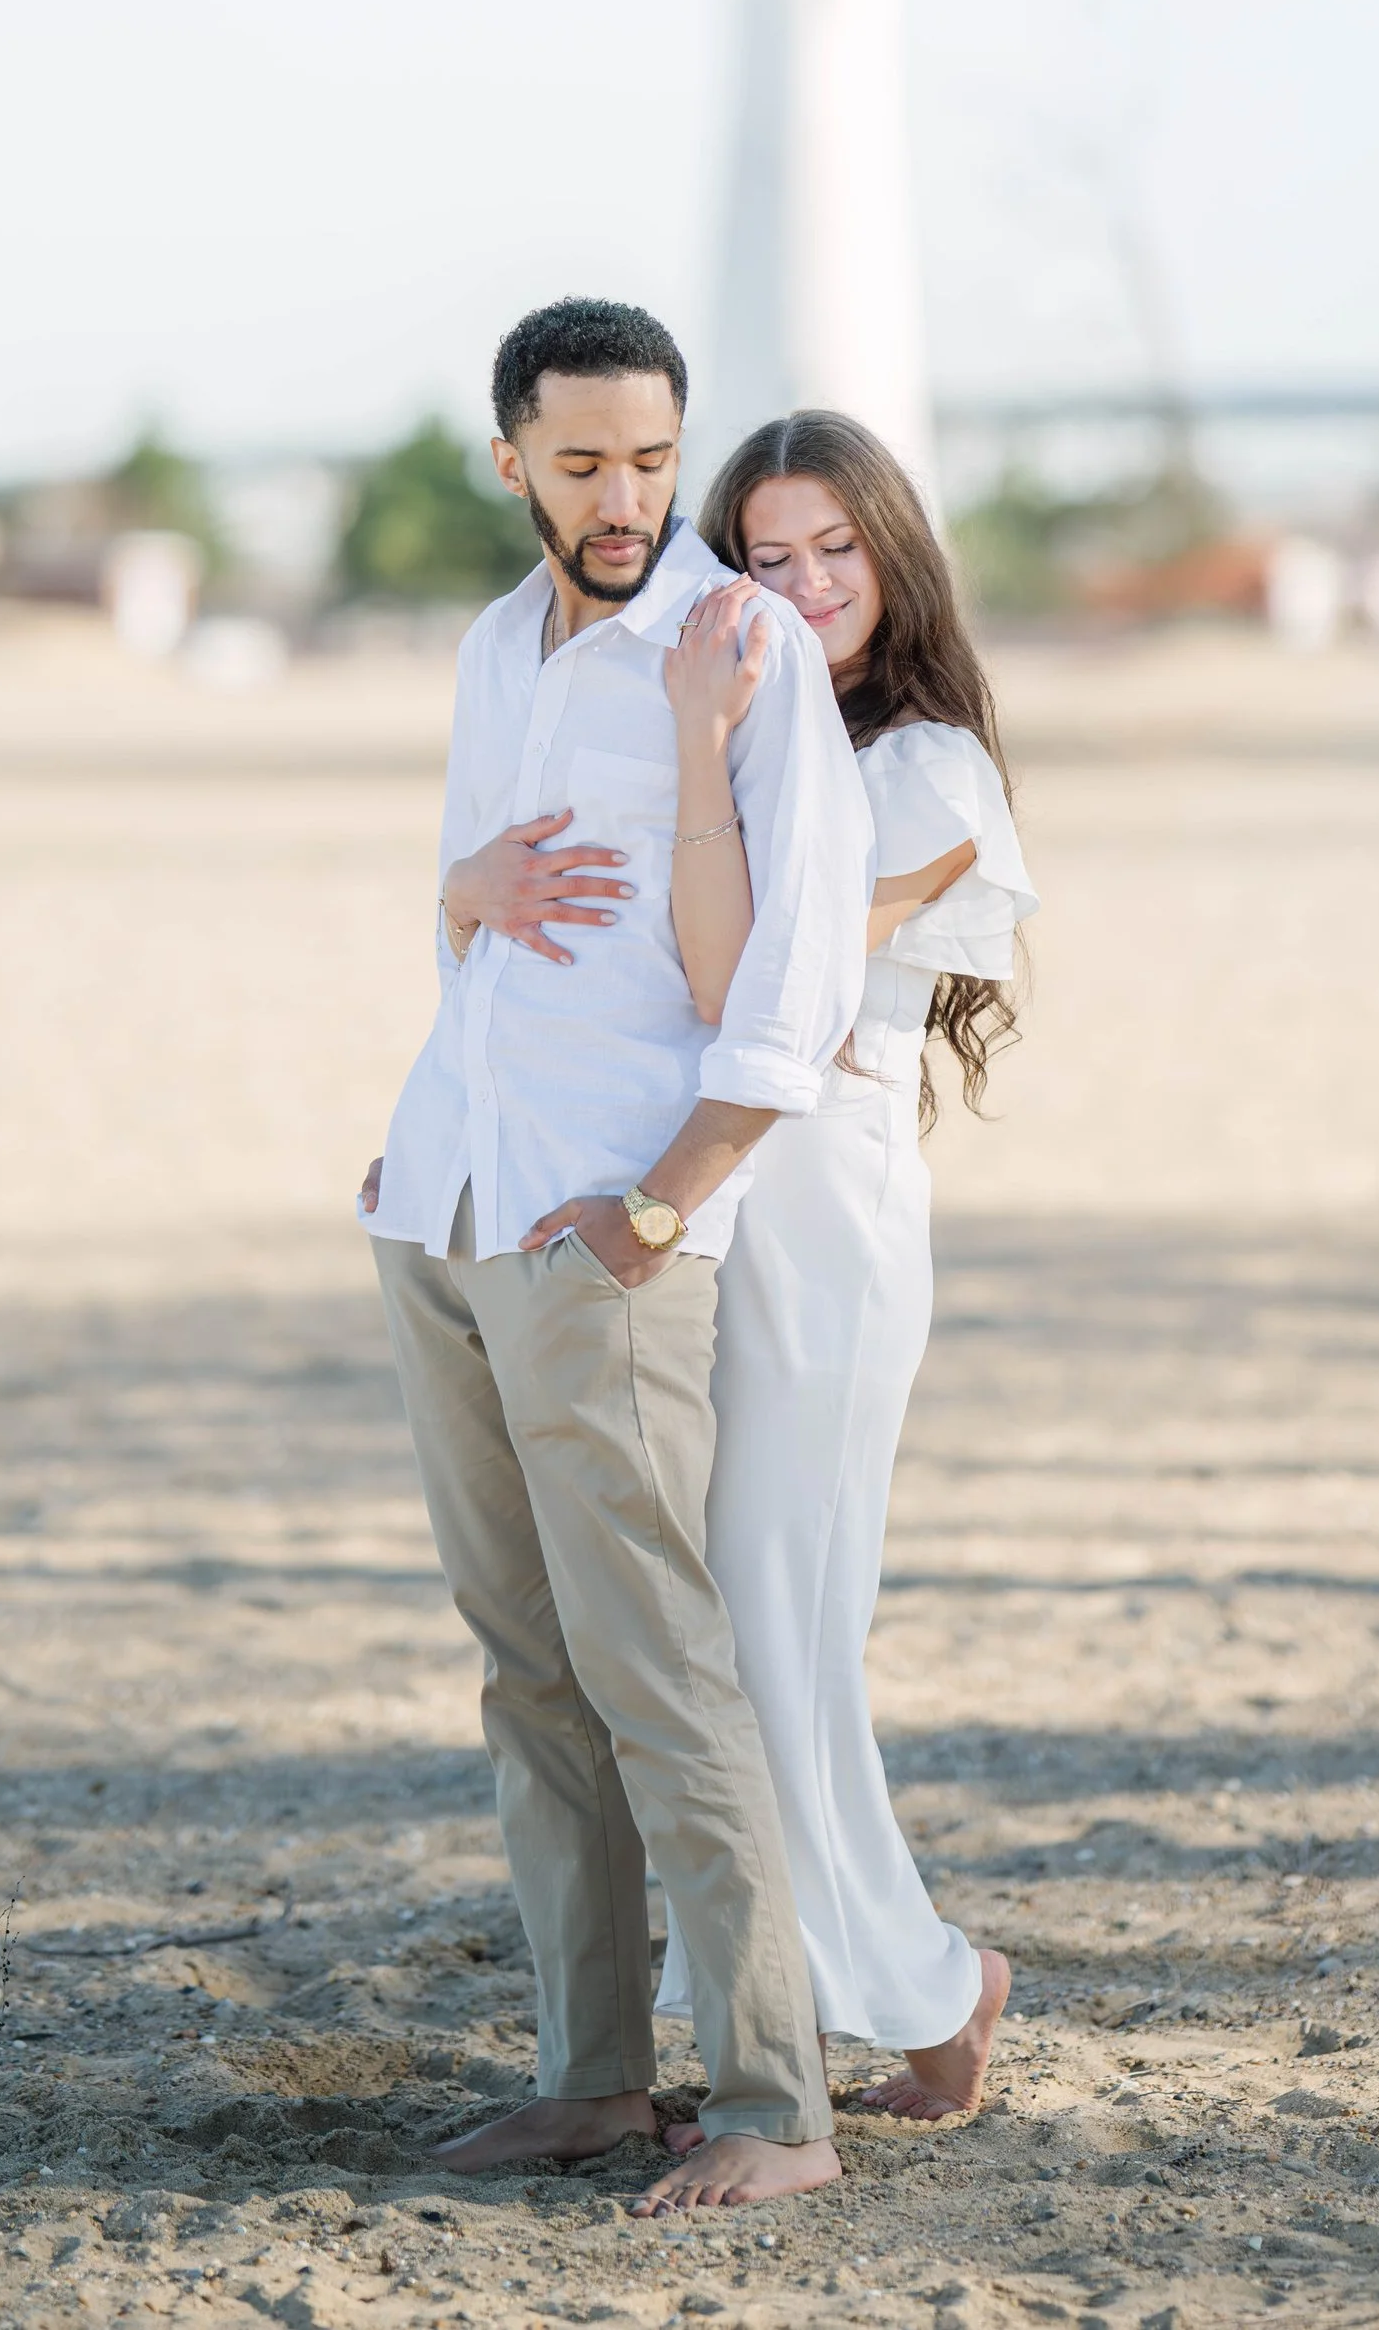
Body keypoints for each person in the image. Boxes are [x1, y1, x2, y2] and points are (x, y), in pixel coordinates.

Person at [359, 299, 873, 2216]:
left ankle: (775, 2104)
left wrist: (660, 1206)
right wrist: (452, 916)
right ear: (512, 459)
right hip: (447, 1205)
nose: (626, 497)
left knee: (659, 1664)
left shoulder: (743, 650)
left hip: (606, 1234)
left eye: (653, 458)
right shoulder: (496, 644)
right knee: (528, 1669)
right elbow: (481, 925)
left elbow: (790, 989)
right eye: (582, 462)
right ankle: (589, 2078)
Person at [652, 408, 1036, 2124]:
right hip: (723, 1191)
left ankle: (906, 1991)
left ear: (892, 551)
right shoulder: (768, 738)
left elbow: (756, 979)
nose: (804, 584)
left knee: (783, 1618)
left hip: (829, 1205)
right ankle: (838, 1998)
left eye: (835, 548)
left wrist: (695, 749)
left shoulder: (927, 769)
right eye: (766, 555)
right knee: (725, 1621)